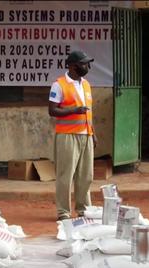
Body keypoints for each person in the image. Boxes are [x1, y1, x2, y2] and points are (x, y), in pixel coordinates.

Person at [48, 50, 97, 221]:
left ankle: (84, 209)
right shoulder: (59, 85)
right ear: (73, 66)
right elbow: (52, 110)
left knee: (86, 175)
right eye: (84, 64)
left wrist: (93, 133)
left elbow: (88, 113)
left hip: (86, 135)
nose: (88, 67)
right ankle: (63, 212)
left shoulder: (86, 84)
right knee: (65, 175)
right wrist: (73, 110)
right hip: (67, 136)